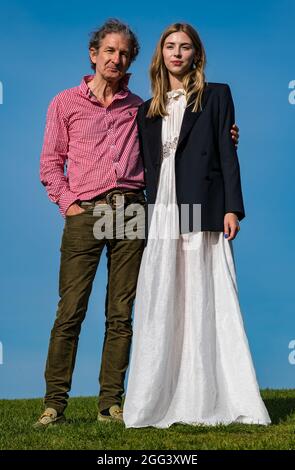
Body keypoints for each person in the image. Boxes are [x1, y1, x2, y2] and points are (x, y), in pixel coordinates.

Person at [34, 19, 239, 428]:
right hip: (86, 210)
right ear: (94, 55)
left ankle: (111, 402)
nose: (117, 58)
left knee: (121, 312)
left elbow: (185, 139)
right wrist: (69, 203)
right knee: (71, 309)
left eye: (125, 52)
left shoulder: (144, 108)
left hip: (131, 210)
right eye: (110, 51)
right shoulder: (64, 103)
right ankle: (54, 403)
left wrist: (227, 134)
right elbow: (50, 164)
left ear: (132, 59)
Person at [123, 23, 271, 428]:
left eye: (185, 47)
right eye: (170, 46)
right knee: (164, 294)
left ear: (196, 54)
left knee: (205, 292)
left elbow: (227, 152)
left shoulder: (217, 96)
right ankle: (156, 398)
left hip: (202, 206)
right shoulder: (145, 110)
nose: (177, 53)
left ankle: (209, 393)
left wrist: (231, 208)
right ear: (161, 55)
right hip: (163, 210)